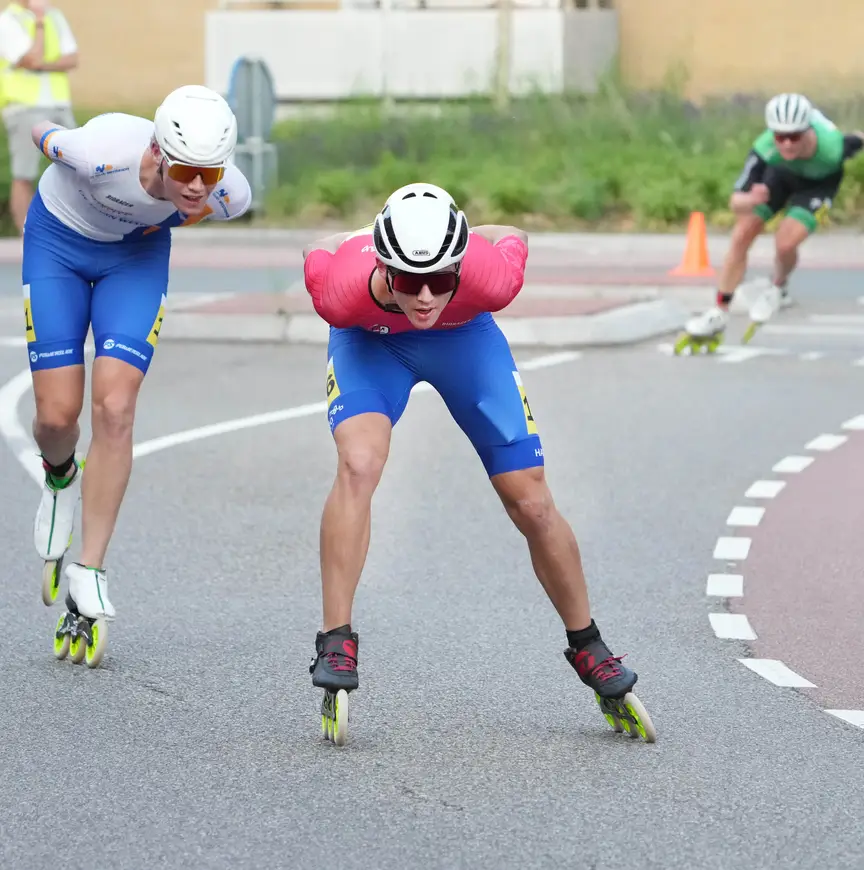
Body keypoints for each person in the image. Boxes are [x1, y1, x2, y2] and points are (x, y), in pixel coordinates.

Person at [301, 182, 655, 744]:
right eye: (408, 280)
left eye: (440, 280)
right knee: (359, 464)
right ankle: (336, 637)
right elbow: (318, 245)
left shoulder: (491, 276)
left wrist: (484, 235)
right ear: (384, 268)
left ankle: (589, 645)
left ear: (459, 267)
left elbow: (514, 233)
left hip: (466, 342)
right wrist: (356, 239)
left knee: (532, 501)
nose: (423, 297)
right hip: (369, 344)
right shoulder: (340, 290)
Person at [27, 84, 251, 664]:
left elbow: (206, 207)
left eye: (210, 171)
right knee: (56, 416)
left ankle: (91, 567)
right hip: (57, 242)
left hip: (134, 261)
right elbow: (41, 134)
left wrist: (155, 226)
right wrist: (49, 132)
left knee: (116, 408)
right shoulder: (100, 149)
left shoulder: (230, 194)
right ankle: (58, 475)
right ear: (156, 150)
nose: (198, 185)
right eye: (184, 171)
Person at [678, 93, 864, 351]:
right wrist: (752, 199)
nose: (787, 144)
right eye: (780, 137)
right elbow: (735, 202)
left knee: (785, 243)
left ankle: (778, 287)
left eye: (795, 137)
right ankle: (718, 311)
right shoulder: (764, 148)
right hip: (778, 178)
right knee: (743, 232)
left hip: (818, 187)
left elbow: (859, 137)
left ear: (807, 130)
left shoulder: (831, 147)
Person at [0, 0, 79, 234]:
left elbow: (72, 59)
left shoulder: (56, 15)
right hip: (24, 107)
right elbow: (33, 56)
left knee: (80, 168)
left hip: (59, 105)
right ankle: (29, 235)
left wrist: (41, 65)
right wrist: (40, 23)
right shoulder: (8, 21)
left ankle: (75, 231)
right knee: (24, 174)